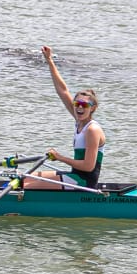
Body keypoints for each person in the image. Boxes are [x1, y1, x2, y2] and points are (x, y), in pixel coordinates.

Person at [26, 45, 106, 190]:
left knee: (25, 185)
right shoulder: (79, 120)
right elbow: (62, 90)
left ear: (93, 108)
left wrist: (59, 157)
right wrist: (49, 60)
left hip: (84, 182)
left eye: (84, 105)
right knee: (26, 177)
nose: (79, 107)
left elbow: (88, 167)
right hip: (74, 176)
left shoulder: (92, 129)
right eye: (77, 103)